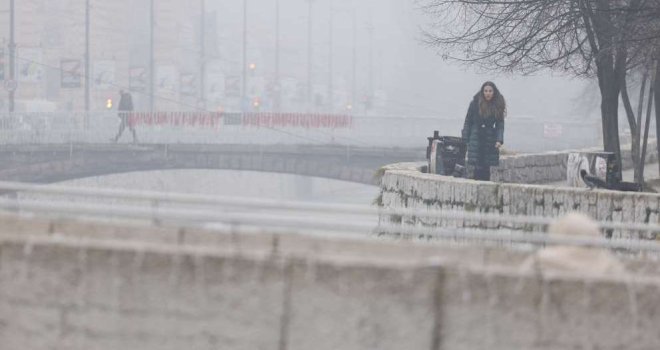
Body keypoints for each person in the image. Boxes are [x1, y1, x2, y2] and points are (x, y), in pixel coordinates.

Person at [461, 81, 506, 181]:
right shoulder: (474, 104)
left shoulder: (497, 105)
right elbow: (468, 121)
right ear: (482, 92)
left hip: (489, 138)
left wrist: (499, 139)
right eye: (486, 91)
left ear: (494, 92)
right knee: (476, 166)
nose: (488, 93)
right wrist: (465, 138)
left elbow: (500, 125)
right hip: (476, 136)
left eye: (490, 91)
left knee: (486, 167)